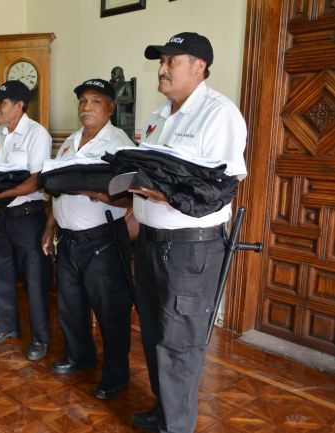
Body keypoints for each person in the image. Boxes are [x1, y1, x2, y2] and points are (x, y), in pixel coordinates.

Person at [129, 33, 247, 432]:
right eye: (161, 61)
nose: (161, 69)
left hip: (189, 252)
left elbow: (222, 186)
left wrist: (164, 194)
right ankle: (165, 411)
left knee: (179, 344)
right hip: (149, 242)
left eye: (170, 61)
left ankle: (176, 426)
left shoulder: (219, 114)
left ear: (199, 66)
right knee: (153, 335)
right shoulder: (158, 113)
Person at [41, 79, 135, 400]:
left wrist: (97, 193)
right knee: (70, 304)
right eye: (82, 101)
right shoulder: (68, 142)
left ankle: (115, 375)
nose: (86, 107)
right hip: (68, 240)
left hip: (103, 241)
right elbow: (57, 189)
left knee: (111, 311)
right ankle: (80, 356)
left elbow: (131, 198)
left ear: (110, 107)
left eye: (95, 101)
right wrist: (50, 227)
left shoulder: (120, 145)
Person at [0, 80, 52, 361]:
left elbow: (36, 181)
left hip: (28, 218)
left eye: (2, 103)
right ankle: (6, 327)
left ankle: (40, 339)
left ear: (20, 105)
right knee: (1, 272)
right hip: (3, 215)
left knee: (34, 280)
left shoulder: (37, 135)